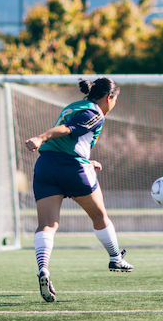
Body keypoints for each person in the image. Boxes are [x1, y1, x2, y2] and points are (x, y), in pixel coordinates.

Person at [24, 77, 132, 303]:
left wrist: (87, 160)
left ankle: (43, 268)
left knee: (47, 224)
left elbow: (67, 142)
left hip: (46, 166)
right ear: (109, 98)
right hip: (72, 168)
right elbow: (67, 129)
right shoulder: (95, 112)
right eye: (115, 100)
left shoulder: (73, 106)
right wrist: (41, 137)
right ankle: (115, 257)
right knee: (99, 215)